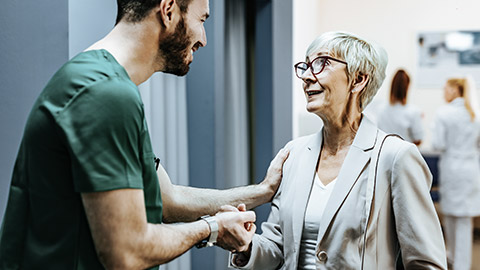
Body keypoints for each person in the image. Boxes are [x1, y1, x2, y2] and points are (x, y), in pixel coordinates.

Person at [0, 0, 289, 269]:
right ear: (168, 10)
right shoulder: (105, 95)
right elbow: (127, 251)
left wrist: (262, 191)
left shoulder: (104, 83)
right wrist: (213, 228)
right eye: (201, 20)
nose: (203, 38)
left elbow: (168, 199)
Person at [229, 31, 447, 269]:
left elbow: (426, 263)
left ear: (359, 79)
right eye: (305, 66)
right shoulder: (294, 154)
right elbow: (277, 247)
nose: (306, 77)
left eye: (322, 63)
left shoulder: (395, 157)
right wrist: (246, 246)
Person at [432, 77, 480, 270]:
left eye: (445, 88)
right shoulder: (474, 114)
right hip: (470, 171)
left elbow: (438, 144)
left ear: (454, 90)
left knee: (453, 216)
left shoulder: (444, 113)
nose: (444, 92)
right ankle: (457, 260)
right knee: (462, 219)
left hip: (452, 169)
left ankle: (458, 262)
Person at [377, 69, 424, 145]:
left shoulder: (381, 109)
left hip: (384, 153)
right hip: (404, 153)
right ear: (407, 87)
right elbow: (418, 139)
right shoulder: (413, 111)